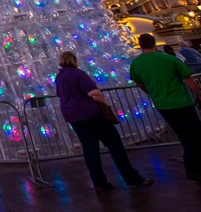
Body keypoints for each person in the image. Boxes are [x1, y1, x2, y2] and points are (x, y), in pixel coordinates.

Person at [56, 51, 151, 191]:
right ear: (74, 60)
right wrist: (105, 104)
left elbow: (60, 94)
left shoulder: (59, 77)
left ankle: (99, 183)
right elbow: (94, 93)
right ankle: (131, 179)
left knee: (90, 149)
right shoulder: (78, 74)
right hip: (91, 114)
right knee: (115, 145)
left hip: (73, 117)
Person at [130, 33, 201, 183]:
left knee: (183, 135)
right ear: (154, 43)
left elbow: (139, 83)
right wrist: (199, 95)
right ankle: (193, 169)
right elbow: (189, 80)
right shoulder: (168, 59)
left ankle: (193, 167)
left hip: (163, 105)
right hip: (181, 102)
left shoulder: (136, 63)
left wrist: (151, 91)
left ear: (141, 45)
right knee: (194, 136)